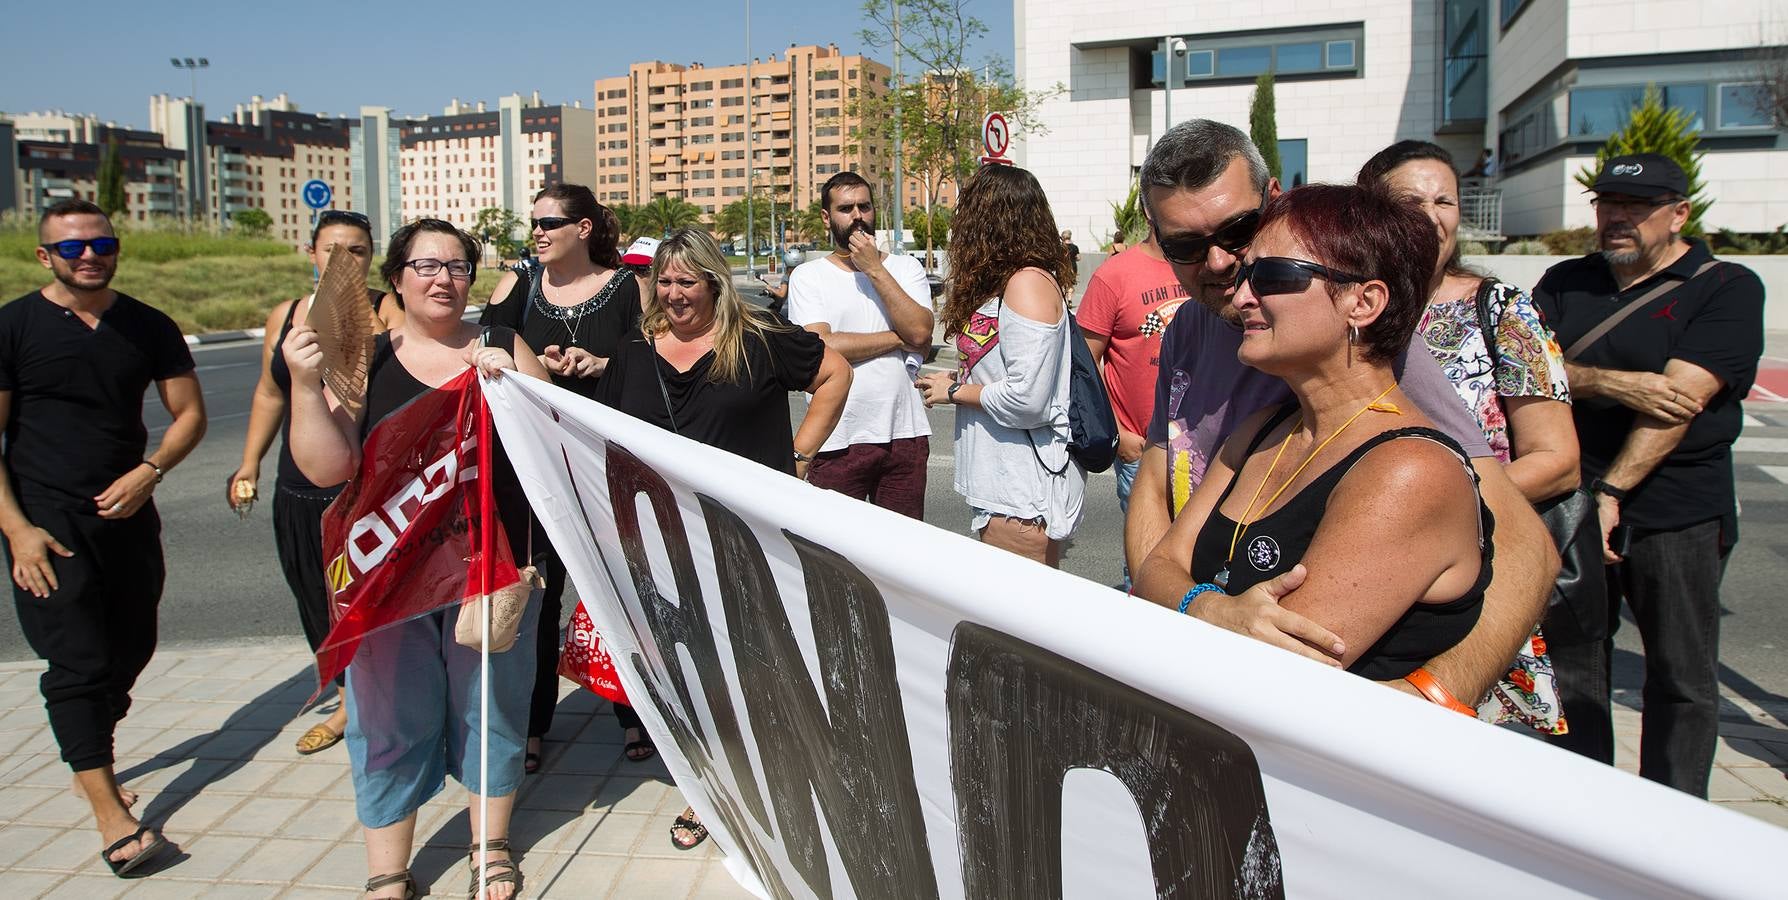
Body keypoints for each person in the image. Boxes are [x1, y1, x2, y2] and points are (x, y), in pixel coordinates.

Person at [1123, 119, 1558, 709]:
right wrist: (1183, 611)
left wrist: (1437, 694)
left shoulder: (1364, 349)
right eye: (1187, 246)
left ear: (1274, 202)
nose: (1223, 263)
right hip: (1199, 653)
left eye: (1239, 231)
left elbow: (1523, 540)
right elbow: (1157, 478)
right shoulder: (1188, 331)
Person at [284, 218, 550, 900]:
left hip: (487, 573)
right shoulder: (364, 360)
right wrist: (302, 384)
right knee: (386, 719)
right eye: (427, 266)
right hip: (389, 576)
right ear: (397, 279)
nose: (444, 279)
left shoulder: (501, 343)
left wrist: (517, 395)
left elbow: (554, 449)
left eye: (459, 266)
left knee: (490, 708)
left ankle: (488, 847)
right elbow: (326, 467)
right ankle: (388, 869)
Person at [1136, 184, 1492, 680]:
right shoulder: (1264, 428)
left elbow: (1276, 676)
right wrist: (1210, 608)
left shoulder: (1410, 470)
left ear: (1363, 303)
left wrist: (1186, 600)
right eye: (1246, 275)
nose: (1241, 296)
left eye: (1273, 276)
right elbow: (1155, 568)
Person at [596, 227, 850, 849]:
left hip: (745, 541)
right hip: (663, 544)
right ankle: (706, 792)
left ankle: (768, 781)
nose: (676, 293)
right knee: (692, 672)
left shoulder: (758, 341)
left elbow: (835, 372)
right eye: (666, 280)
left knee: (754, 666)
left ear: (713, 281)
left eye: (689, 280)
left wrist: (800, 454)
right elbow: (599, 430)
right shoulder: (632, 351)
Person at [1532, 153, 1764, 797]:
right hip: (1571, 500)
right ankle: (1586, 808)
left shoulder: (1726, 286)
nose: (1617, 219)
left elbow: (1678, 403)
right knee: (1575, 664)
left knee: (1681, 676)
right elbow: (1527, 371)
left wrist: (1612, 492)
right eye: (1608, 205)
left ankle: (1674, 817)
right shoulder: (1565, 280)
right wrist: (1615, 381)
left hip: (1678, 508)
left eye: (1637, 207)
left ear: (1679, 214)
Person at [1, 199, 207, 877]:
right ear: (45, 256)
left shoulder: (146, 325)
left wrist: (150, 472)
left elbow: (188, 416)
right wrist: (18, 531)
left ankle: (90, 753)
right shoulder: (14, 327)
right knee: (78, 664)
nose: (88, 255)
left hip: (127, 515)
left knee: (131, 647)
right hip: (45, 522)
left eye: (101, 243)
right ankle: (110, 813)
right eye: (72, 248)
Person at [1359, 140, 1579, 731]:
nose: (1432, 215)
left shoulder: (1503, 311)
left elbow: (1558, 459)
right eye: (1411, 201)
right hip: (1366, 576)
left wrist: (1440, 506)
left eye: (1445, 200)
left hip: (1477, 578)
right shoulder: (1349, 311)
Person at [481, 184, 649, 774]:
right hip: (532, 462)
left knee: (618, 591)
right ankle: (532, 724)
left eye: (550, 222)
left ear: (583, 228)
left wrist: (602, 365)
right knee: (540, 596)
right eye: (534, 223)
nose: (538, 232)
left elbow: (651, 366)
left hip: (605, 463)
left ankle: (635, 715)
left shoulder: (629, 287)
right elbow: (484, 354)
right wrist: (531, 367)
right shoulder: (516, 286)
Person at [229, 209, 399, 756]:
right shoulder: (288, 316)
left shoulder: (386, 311)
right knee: (313, 598)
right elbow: (269, 393)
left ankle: (364, 705)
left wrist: (364, 325)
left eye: (357, 251)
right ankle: (348, 690)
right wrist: (249, 463)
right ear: (312, 254)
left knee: (362, 601)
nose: (344, 262)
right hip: (297, 488)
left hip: (360, 489)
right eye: (333, 250)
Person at [915, 164, 1084, 566]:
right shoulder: (1011, 281)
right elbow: (1014, 372)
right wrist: (961, 377)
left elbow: (1029, 399)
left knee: (1025, 620)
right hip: (1006, 484)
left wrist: (954, 392)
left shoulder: (1027, 283)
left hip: (1025, 486)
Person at [787, 171, 935, 519]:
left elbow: (921, 329)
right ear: (827, 217)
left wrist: (874, 269)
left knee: (903, 557)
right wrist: (900, 339)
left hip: (904, 435)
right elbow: (821, 345)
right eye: (846, 208)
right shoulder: (809, 276)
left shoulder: (905, 268)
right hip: (837, 437)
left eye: (864, 207)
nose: (857, 216)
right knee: (835, 558)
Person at [1078, 228, 1189, 586]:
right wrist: (1117, 433)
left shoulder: (1208, 267)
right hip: (1141, 449)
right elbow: (1086, 362)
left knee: (1204, 564)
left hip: (1210, 448)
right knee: (1145, 569)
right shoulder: (1114, 275)